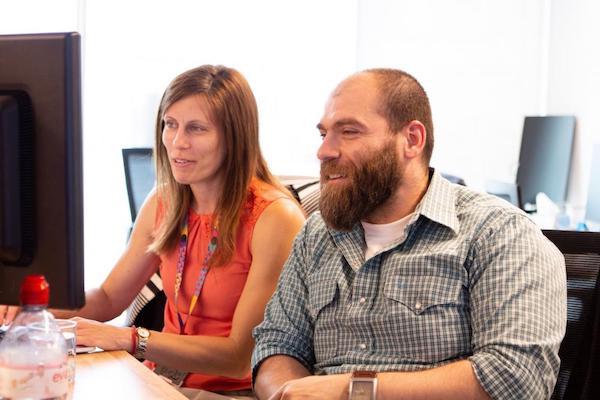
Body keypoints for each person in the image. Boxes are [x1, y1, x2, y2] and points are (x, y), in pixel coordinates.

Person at [251, 68, 567, 400]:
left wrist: (354, 390)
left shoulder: (498, 234)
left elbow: (517, 377)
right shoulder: (318, 234)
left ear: (412, 140)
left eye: (349, 131)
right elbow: (277, 345)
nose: (325, 151)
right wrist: (287, 393)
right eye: (324, 134)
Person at [2, 65, 305, 398]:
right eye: (170, 125)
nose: (177, 143)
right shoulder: (165, 200)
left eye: (196, 129)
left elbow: (237, 356)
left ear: (234, 137)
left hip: (229, 391)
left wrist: (130, 338)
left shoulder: (275, 217)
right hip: (160, 380)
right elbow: (107, 299)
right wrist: (32, 308)